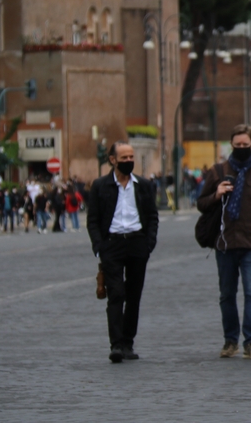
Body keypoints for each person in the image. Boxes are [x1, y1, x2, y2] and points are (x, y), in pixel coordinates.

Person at [197, 124, 251, 360]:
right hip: (225, 243)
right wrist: (216, 194)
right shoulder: (217, 172)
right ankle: (230, 341)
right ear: (230, 145)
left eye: (245, 145)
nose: (241, 148)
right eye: (237, 145)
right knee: (226, 294)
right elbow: (201, 203)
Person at [87, 142, 159, 363]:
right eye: (124, 157)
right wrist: (100, 247)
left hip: (137, 243)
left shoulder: (144, 185)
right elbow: (93, 220)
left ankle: (128, 342)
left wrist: (149, 245)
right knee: (116, 294)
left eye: (131, 157)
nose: (129, 161)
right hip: (112, 245)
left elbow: (152, 216)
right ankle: (116, 344)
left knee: (134, 296)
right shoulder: (100, 186)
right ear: (112, 160)